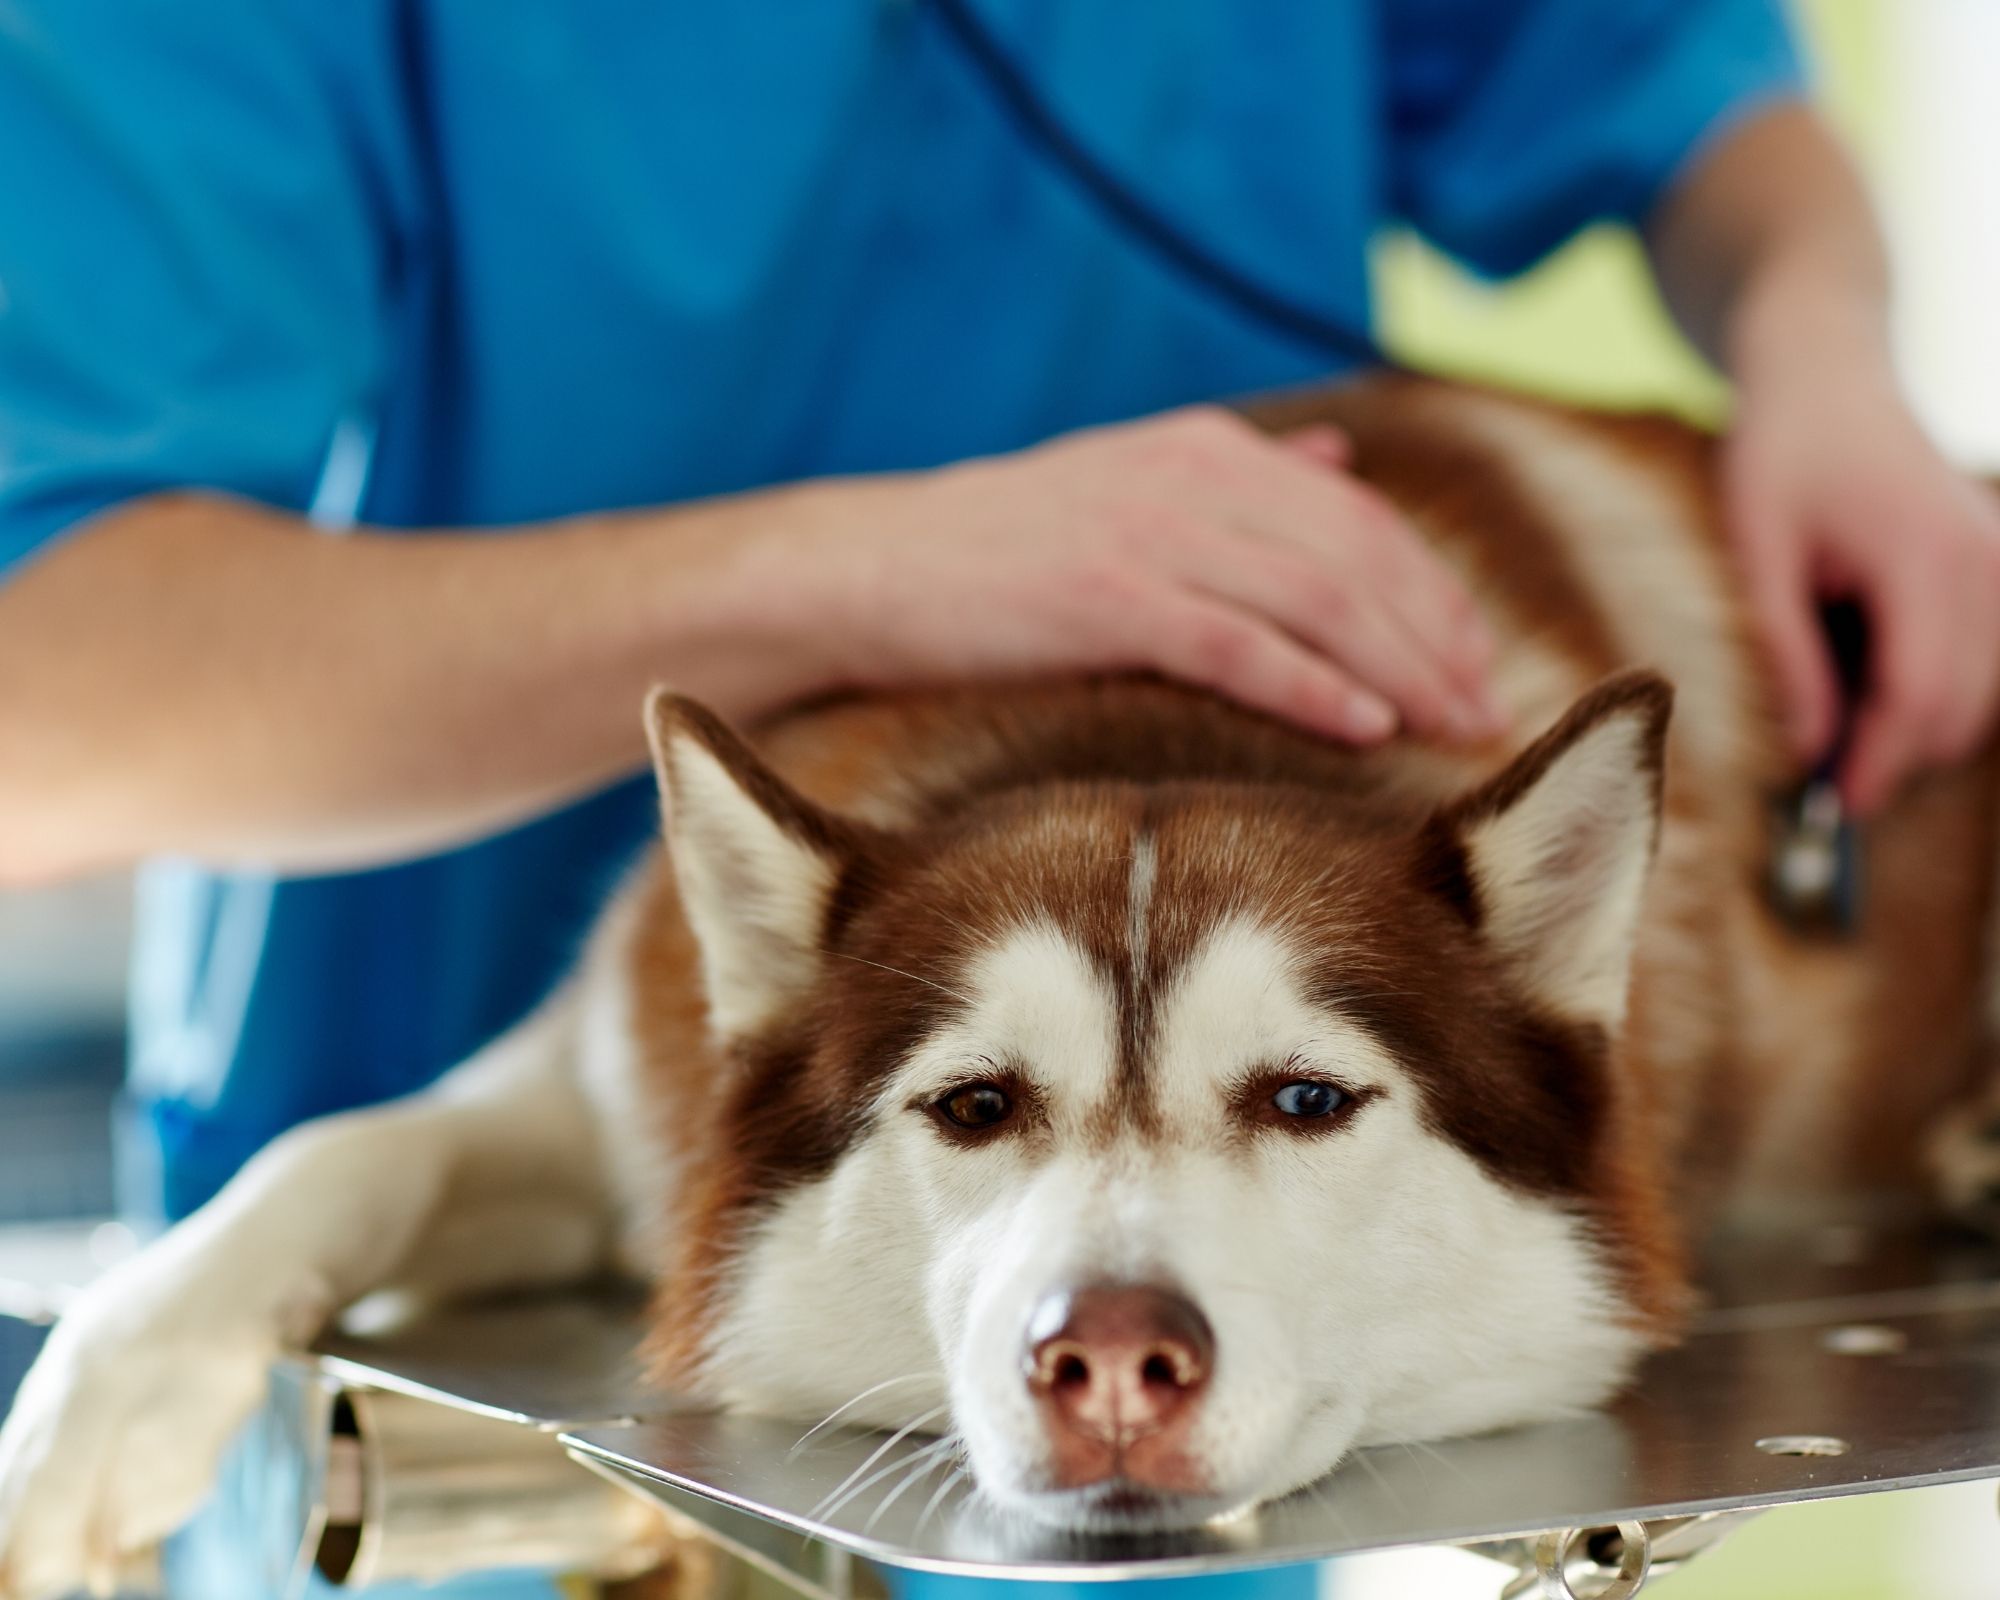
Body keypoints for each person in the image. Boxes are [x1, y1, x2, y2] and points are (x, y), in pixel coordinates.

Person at [1, 3, 1995, 1597]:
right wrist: (846, 574)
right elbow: (37, 704)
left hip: (1182, 1487)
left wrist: (1821, 342)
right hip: (480, 1425)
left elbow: (1663, 74)